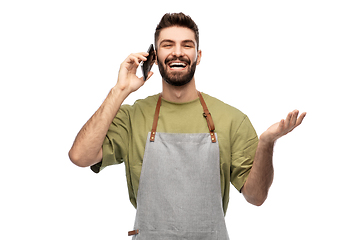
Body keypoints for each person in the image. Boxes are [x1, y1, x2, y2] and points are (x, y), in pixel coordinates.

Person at [69, 12, 306, 239]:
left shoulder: (232, 120)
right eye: (167, 44)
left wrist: (267, 143)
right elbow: (80, 156)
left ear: (198, 56)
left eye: (187, 45)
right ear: (154, 56)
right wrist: (120, 90)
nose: (177, 52)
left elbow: (256, 196)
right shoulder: (132, 117)